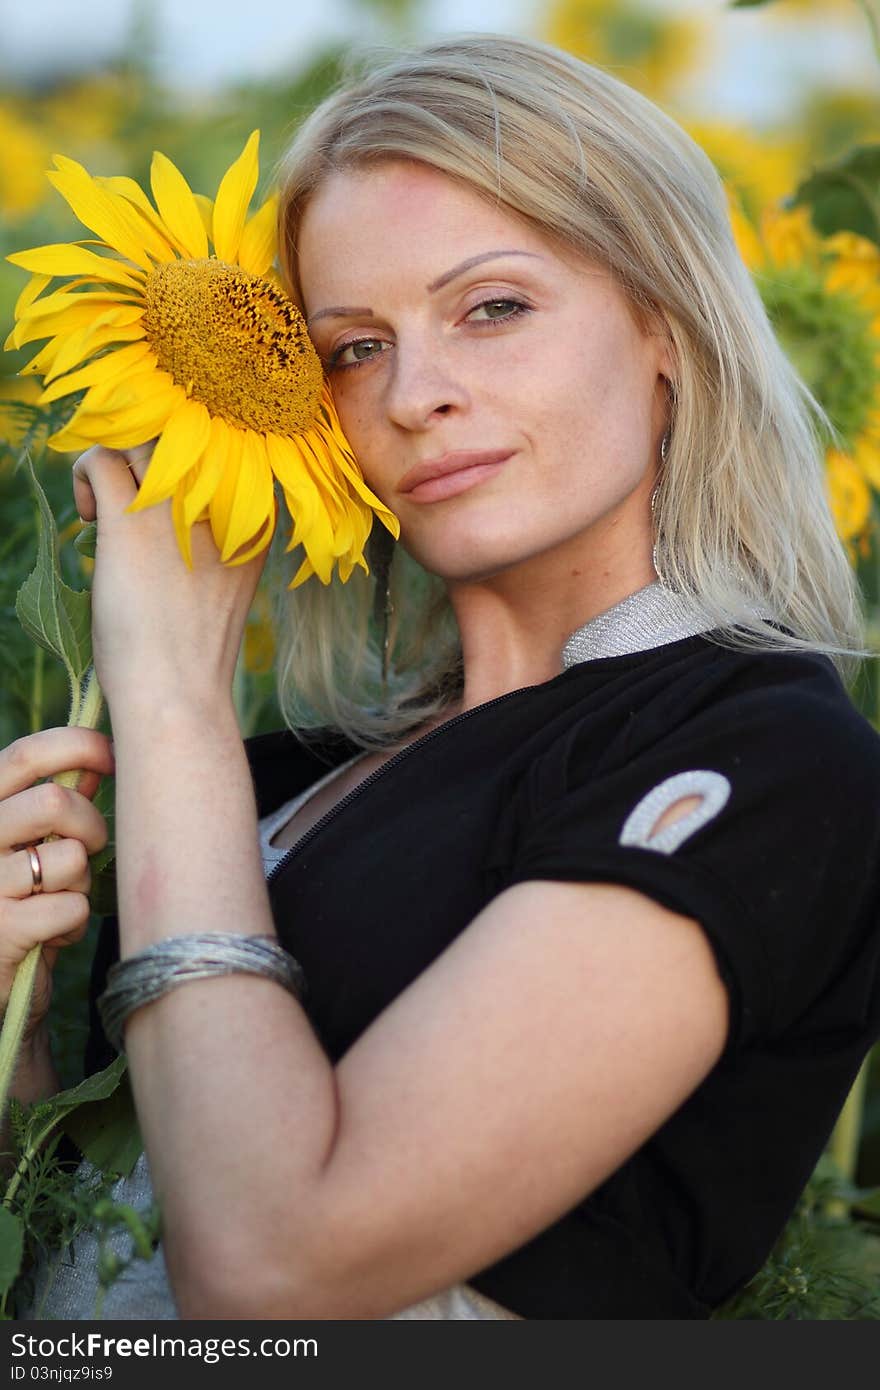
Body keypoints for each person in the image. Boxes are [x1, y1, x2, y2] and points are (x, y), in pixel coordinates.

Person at [5, 32, 880, 1321]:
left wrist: (175, 697)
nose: (416, 394)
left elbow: (272, 1277)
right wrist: (19, 1034)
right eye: (352, 346)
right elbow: (95, 1262)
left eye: (493, 307)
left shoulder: (764, 756)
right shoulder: (285, 776)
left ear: (667, 328)